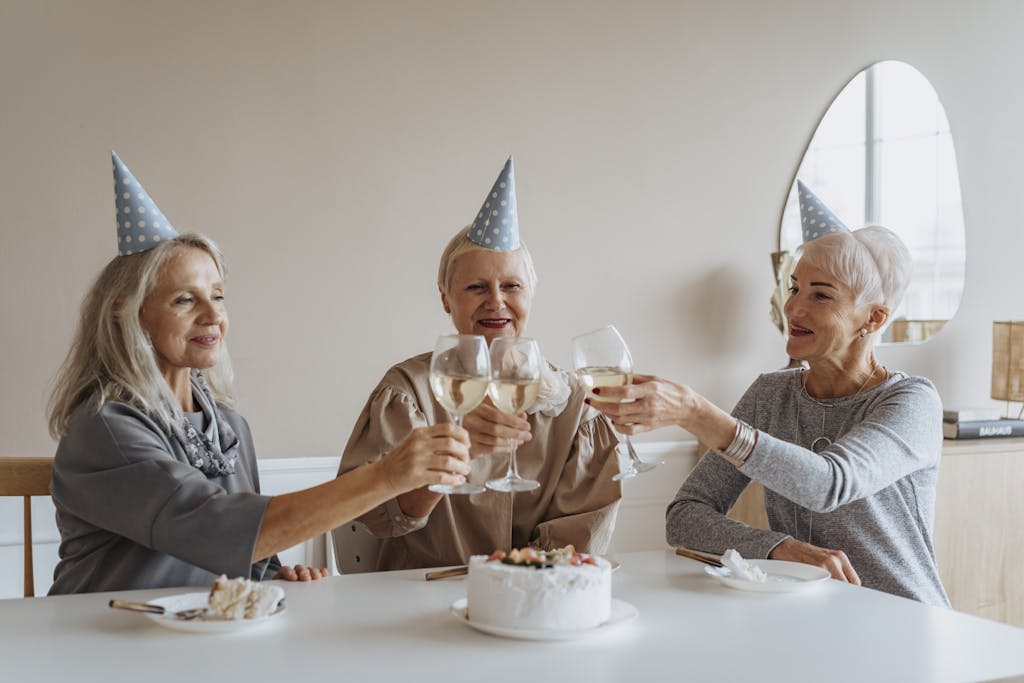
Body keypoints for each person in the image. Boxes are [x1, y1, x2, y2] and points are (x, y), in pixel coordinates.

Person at [46, 153, 470, 594]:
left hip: (196, 642)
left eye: (218, 296)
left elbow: (252, 560)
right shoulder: (106, 429)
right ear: (127, 313)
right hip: (104, 640)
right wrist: (386, 474)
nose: (213, 315)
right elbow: (217, 531)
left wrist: (278, 575)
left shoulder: (229, 426)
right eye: (184, 301)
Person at [587, 181, 949, 606]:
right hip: (809, 619)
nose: (794, 307)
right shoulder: (770, 395)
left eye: (821, 296)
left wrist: (696, 413)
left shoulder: (911, 402)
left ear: (873, 318)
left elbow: (829, 483)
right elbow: (685, 516)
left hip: (902, 621)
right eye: (795, 287)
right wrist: (778, 548)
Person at [337, 157, 622, 570]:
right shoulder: (406, 393)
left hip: (532, 600)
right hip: (419, 600)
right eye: (476, 287)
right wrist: (454, 449)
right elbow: (378, 518)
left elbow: (576, 543)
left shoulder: (575, 406)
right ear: (445, 299)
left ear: (530, 296)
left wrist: (507, 588)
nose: (496, 301)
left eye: (511, 286)